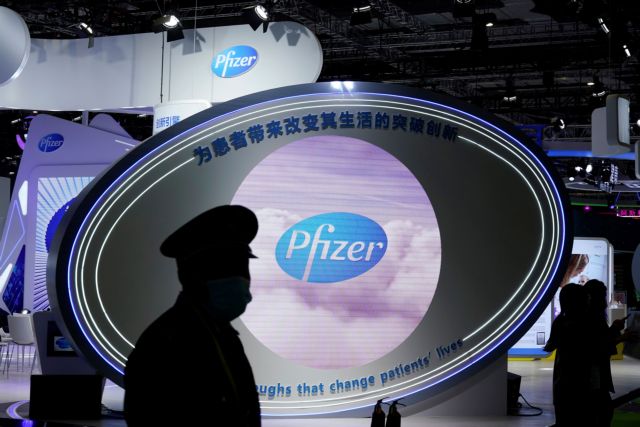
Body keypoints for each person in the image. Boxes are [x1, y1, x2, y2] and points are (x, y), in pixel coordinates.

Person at [124, 205, 261, 426]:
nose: (241, 280)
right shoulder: (163, 343)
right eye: (226, 268)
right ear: (193, 275)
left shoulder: (224, 335)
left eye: (242, 268)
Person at [544, 283, 590, 427]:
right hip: (580, 377)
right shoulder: (585, 322)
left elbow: (550, 346)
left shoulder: (560, 321)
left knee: (563, 414)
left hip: (562, 376)